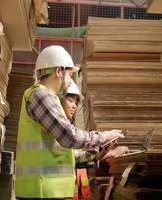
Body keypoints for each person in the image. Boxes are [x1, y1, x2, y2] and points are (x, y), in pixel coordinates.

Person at [15, 45, 125, 199]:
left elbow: (62, 151)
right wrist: (104, 136)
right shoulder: (40, 95)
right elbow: (70, 137)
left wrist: (97, 154)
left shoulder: (50, 99)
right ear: (59, 71)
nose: (70, 81)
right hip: (40, 190)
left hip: (46, 189)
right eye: (69, 75)